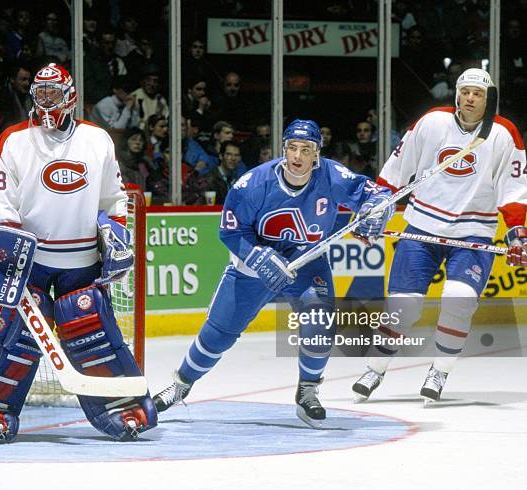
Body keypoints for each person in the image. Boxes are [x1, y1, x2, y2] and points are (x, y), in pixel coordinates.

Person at [153, 119, 394, 428]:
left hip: (307, 262)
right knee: (218, 334)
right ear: (283, 150)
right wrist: (258, 256)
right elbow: (230, 231)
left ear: (316, 154)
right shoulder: (252, 184)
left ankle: (308, 391)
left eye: (305, 150)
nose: (297, 156)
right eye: (292, 148)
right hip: (255, 266)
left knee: (319, 321)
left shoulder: (332, 175)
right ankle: (182, 384)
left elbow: (373, 194)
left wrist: (377, 208)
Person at [0, 63, 157, 443]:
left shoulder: (97, 139)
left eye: (53, 93)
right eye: (40, 94)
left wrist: (115, 233)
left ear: (69, 95)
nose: (46, 101)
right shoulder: (15, 139)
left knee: (91, 328)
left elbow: (113, 198)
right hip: (31, 260)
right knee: (17, 335)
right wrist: (8, 238)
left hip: (82, 261)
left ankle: (122, 408)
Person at [352, 68, 527, 403]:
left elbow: (515, 189)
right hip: (422, 226)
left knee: (458, 301)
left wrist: (518, 234)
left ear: (489, 99)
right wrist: (377, 207)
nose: (470, 98)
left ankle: (439, 371)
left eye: (478, 93)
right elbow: (397, 168)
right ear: (457, 94)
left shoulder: (505, 134)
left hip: (474, 231)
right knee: (403, 307)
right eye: (466, 92)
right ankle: (375, 368)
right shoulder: (432, 122)